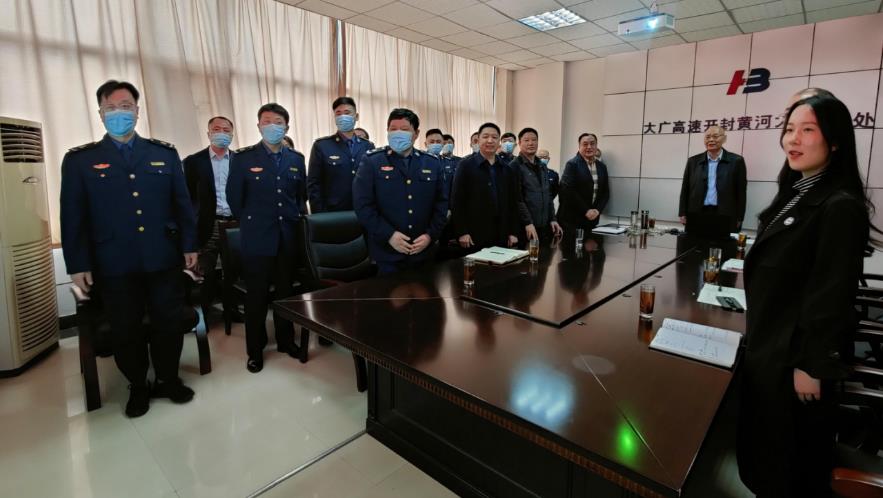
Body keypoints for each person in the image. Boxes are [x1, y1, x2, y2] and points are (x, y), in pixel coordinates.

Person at [738, 93, 872, 497]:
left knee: (790, 465)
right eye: (789, 129)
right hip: (771, 344)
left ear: (835, 141)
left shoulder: (839, 205)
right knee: (767, 454)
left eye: (807, 130)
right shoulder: (796, 191)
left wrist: (811, 365)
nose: (792, 139)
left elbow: (832, 293)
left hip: (795, 361)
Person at [60, 80, 197, 417]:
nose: (118, 113)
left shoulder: (163, 153)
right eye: (111, 108)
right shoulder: (81, 160)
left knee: (168, 322)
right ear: (100, 114)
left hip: (162, 256)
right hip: (113, 262)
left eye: (125, 107)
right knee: (125, 327)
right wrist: (77, 264)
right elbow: (73, 217)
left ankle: (167, 378)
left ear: (137, 111)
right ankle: (137, 384)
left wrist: (189, 244)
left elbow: (182, 204)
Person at [226, 103, 306, 373]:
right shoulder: (243, 158)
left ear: (287, 127)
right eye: (267, 121)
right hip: (257, 239)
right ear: (259, 126)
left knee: (286, 293)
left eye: (278, 122)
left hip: (288, 238)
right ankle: (255, 350)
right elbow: (235, 199)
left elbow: (300, 198)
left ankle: (286, 341)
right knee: (256, 297)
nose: (273, 126)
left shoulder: (296, 159)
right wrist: (255, 222)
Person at [352, 108, 448, 275]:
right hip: (387, 251)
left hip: (424, 251)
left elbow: (441, 203)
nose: (398, 133)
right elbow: (363, 205)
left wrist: (430, 235)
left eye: (404, 129)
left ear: (416, 134)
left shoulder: (431, 163)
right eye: (393, 129)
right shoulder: (372, 161)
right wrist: (388, 234)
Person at [183, 116, 235, 317]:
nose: (221, 133)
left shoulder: (240, 160)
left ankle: (231, 311)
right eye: (216, 129)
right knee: (206, 272)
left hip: (234, 224)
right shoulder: (193, 162)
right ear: (209, 133)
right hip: (207, 224)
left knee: (233, 271)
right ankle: (204, 316)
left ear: (232, 134)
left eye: (226, 130)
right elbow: (187, 198)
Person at [451, 123, 521, 251]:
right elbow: (457, 201)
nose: (490, 140)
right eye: (485, 136)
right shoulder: (465, 165)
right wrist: (462, 232)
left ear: (499, 142)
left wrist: (513, 232)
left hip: (501, 233)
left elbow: (513, 203)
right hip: (473, 234)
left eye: (494, 137)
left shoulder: (506, 169)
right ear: (478, 140)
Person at [307, 96, 374, 213]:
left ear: (356, 116)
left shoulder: (367, 146)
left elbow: (373, 182)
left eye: (347, 113)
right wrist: (320, 215)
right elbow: (314, 184)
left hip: (363, 212)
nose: (343, 116)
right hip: (332, 214)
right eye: (338, 113)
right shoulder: (322, 146)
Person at [677, 125, 747, 237]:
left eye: (715, 136)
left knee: (722, 245)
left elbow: (741, 192)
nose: (711, 140)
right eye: (707, 137)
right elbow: (685, 188)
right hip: (697, 212)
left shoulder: (736, 161)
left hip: (725, 213)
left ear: (724, 139)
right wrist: (682, 212)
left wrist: (739, 217)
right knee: (695, 244)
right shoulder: (693, 161)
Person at [511, 128, 562, 243]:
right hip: (525, 227)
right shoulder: (515, 166)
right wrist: (528, 222)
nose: (531, 143)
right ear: (519, 143)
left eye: (534, 140)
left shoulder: (542, 166)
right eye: (526, 140)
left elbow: (548, 195)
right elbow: (517, 199)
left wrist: (553, 219)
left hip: (544, 226)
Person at [557, 133, 609, 233]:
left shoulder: (602, 167)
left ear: (596, 146)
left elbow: (605, 192)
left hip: (592, 220)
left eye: (592, 143)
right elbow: (568, 191)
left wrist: (598, 210)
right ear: (579, 146)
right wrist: (586, 210)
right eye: (585, 144)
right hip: (571, 221)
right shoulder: (572, 164)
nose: (589, 147)